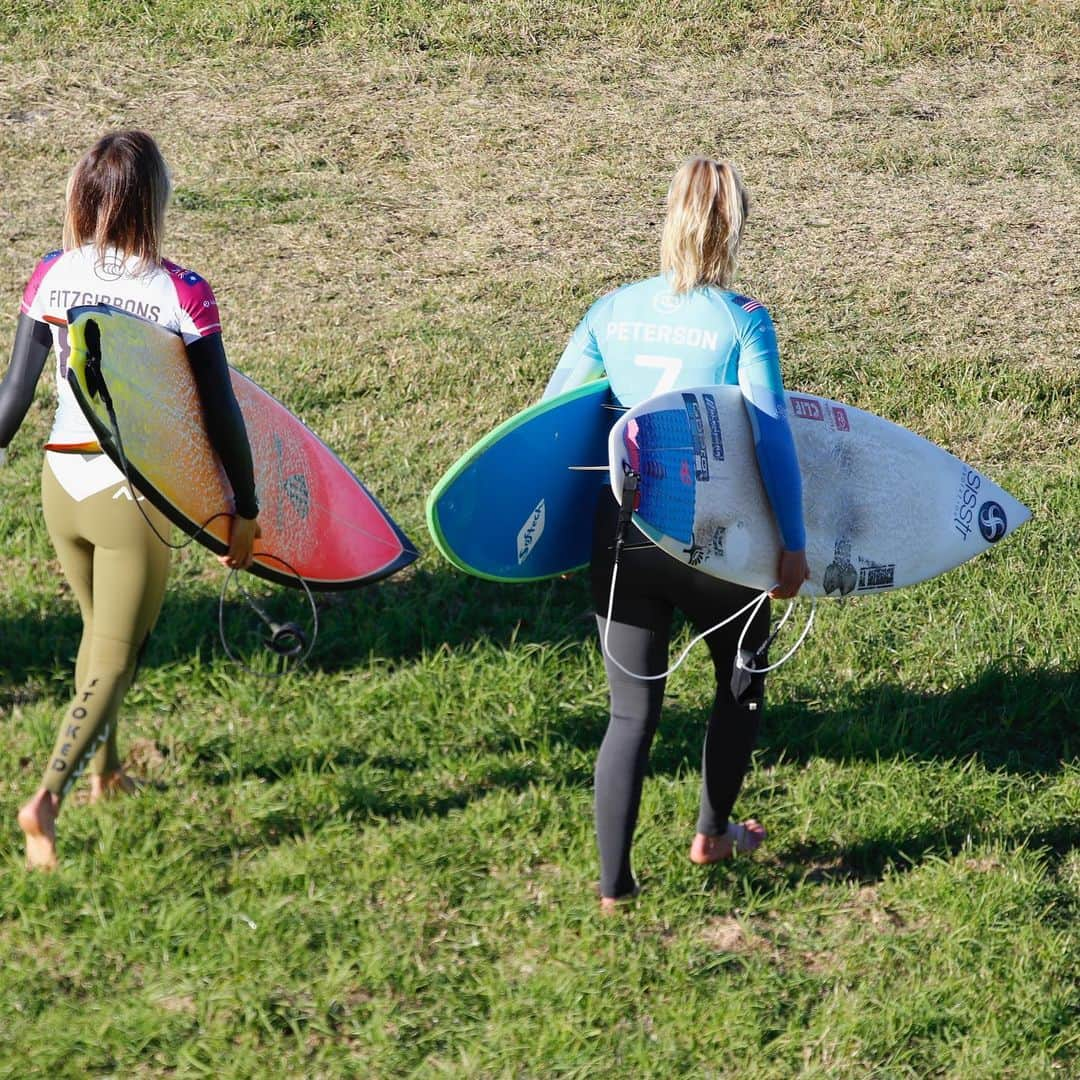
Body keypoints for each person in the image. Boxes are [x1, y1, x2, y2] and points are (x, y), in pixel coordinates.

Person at [542, 157, 810, 911]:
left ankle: (614, 890)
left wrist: (541, 537)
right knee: (742, 679)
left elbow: (549, 424)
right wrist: (790, 542)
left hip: (623, 531)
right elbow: (771, 438)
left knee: (630, 714)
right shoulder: (743, 319)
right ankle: (714, 834)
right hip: (716, 536)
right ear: (734, 228)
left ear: (668, 219)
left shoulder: (610, 309)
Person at [0, 130, 261, 869]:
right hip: (130, 497)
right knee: (117, 655)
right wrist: (244, 507)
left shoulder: (52, 273)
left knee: (98, 636)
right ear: (155, 200)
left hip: (61, 484)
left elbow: (13, 399)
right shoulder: (179, 292)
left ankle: (105, 773)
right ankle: (44, 801)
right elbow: (220, 413)